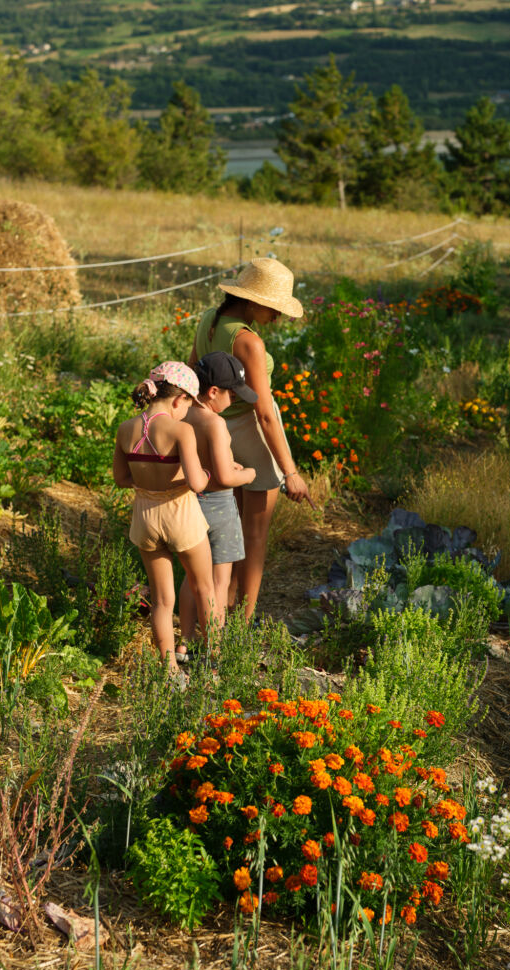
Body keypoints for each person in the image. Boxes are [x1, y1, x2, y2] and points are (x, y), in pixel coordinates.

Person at [189, 257, 314, 621]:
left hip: (218, 430)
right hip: (252, 434)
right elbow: (263, 411)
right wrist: (290, 472)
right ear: (252, 301)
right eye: (274, 307)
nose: (279, 316)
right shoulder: (249, 342)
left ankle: (221, 609)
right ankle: (242, 624)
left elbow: (194, 376)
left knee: (228, 529)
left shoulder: (208, 321)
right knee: (255, 537)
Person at [112, 361, 217, 675]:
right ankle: (215, 662)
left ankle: (169, 670)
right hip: (181, 514)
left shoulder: (125, 428)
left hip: (145, 516)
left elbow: (120, 478)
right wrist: (207, 474)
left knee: (161, 600)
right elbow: (198, 483)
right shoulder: (181, 429)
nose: (188, 410)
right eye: (189, 403)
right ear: (178, 398)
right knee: (204, 589)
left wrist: (149, 484)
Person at [176, 351, 258, 661]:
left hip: (188, 504)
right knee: (219, 583)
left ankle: (183, 642)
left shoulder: (183, 416)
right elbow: (223, 476)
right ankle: (215, 651)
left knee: (192, 577)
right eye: (231, 393)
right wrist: (248, 473)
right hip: (220, 507)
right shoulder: (215, 423)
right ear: (213, 392)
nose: (234, 400)